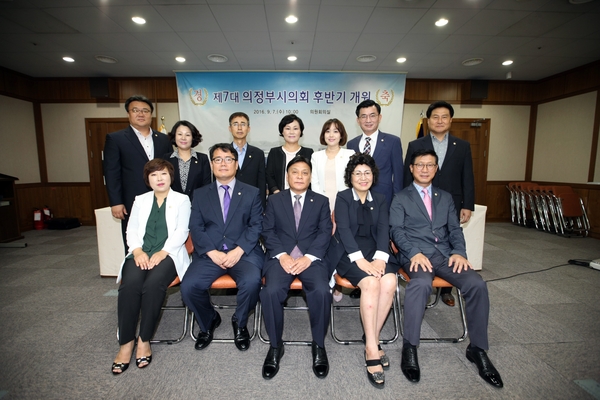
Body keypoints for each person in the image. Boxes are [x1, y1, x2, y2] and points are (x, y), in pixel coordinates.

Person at [389, 149, 503, 389]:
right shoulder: (400, 197)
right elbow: (396, 231)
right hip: (416, 256)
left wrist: (459, 252)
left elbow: (454, 229)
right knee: (421, 284)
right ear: (411, 168)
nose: (425, 169)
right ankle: (410, 347)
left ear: (436, 168)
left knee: (477, 284)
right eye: (420, 165)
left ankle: (477, 349)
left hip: (445, 255)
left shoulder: (446, 197)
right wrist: (413, 252)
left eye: (430, 165)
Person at [180, 143, 263, 352]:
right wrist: (211, 252)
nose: (223, 164)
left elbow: (256, 226)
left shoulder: (252, 193)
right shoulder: (200, 194)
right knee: (189, 287)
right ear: (211, 164)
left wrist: (239, 250)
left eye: (228, 159)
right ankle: (209, 320)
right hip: (210, 253)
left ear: (236, 164)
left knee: (252, 282)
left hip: (243, 253)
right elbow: (196, 227)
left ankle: (240, 322)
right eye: (218, 159)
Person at [111, 158, 191, 375]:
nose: (159, 178)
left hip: (169, 254)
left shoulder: (182, 200)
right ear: (148, 179)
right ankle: (126, 342)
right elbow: (132, 229)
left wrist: (163, 252)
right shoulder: (141, 200)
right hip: (141, 252)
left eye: (163, 174)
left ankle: (144, 339)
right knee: (130, 285)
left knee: (153, 285)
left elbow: (182, 231)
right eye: (154, 175)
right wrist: (137, 251)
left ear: (170, 176)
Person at [327, 153, 398, 389]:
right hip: (348, 253)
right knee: (371, 283)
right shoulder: (343, 197)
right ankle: (371, 349)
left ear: (373, 176)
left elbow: (383, 230)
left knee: (389, 281)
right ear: (350, 177)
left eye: (367, 172)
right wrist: (360, 260)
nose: (363, 177)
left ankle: (372, 338)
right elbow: (344, 231)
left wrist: (380, 258)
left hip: (375, 251)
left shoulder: (381, 198)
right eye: (357, 173)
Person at [260, 155, 333, 380]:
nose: (300, 176)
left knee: (322, 291)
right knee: (270, 292)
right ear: (287, 176)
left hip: (311, 258)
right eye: (295, 172)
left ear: (310, 177)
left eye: (305, 173)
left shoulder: (321, 201)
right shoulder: (274, 200)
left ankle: (319, 345)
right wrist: (282, 255)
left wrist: (309, 258)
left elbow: (325, 232)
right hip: (281, 257)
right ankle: (275, 346)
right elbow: (267, 231)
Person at [403, 101, 475, 307]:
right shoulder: (416, 144)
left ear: (451, 120)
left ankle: (446, 290)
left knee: (449, 241)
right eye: (435, 117)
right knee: (423, 238)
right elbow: (406, 176)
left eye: (444, 117)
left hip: (451, 202)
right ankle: (424, 282)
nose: (440, 121)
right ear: (428, 120)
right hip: (420, 201)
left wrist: (467, 204)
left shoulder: (462, 146)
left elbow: (468, 176)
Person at [103, 95, 172, 248]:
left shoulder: (163, 139)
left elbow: (170, 168)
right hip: (131, 199)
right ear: (128, 113)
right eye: (135, 110)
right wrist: (116, 202)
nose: (141, 114)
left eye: (145, 111)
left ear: (151, 114)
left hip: (162, 197)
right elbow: (111, 172)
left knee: (163, 237)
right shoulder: (116, 139)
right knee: (135, 239)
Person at [310, 118, 355, 302]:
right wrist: (326, 209)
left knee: (341, 244)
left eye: (336, 131)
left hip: (344, 206)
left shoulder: (350, 154)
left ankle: (337, 284)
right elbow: (315, 183)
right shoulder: (316, 156)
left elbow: (351, 183)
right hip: (322, 206)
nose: (331, 135)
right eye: (328, 131)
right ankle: (326, 280)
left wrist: (337, 210)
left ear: (341, 135)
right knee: (325, 243)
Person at [347, 99, 403, 207]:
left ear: (379, 117)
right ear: (358, 120)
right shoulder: (351, 144)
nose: (368, 120)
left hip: (384, 200)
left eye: (372, 115)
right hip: (357, 201)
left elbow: (398, 176)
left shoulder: (393, 142)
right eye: (363, 116)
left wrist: (397, 203)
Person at [266, 114, 313, 195]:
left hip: (303, 197)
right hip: (277, 196)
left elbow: (311, 177)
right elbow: (269, 175)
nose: (291, 132)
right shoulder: (274, 152)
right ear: (282, 131)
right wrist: (276, 192)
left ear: (300, 131)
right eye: (287, 128)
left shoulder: (309, 153)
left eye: (295, 128)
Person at [163, 120, 211, 200]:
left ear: (193, 138)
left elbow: (206, 186)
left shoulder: (203, 159)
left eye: (187, 135)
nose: (183, 138)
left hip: (197, 203)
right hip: (172, 204)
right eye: (180, 134)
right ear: (174, 136)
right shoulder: (166, 159)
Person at [229, 112, 267, 209]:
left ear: (248, 128)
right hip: (228, 202)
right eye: (235, 124)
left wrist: (262, 207)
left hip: (252, 203)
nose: (239, 128)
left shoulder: (258, 154)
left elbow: (261, 183)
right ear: (230, 128)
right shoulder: (224, 152)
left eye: (243, 124)